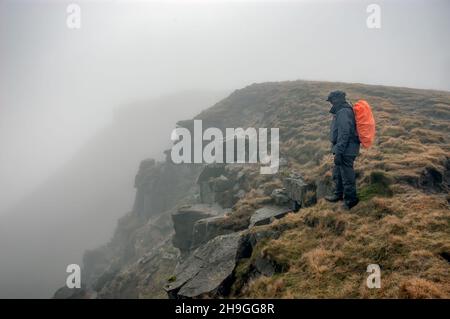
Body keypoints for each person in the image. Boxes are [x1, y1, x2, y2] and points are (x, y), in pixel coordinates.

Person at [325, 90, 360, 210]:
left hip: (346, 149)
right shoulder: (341, 111)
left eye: (331, 101)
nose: (331, 104)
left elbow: (344, 133)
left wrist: (339, 152)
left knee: (347, 176)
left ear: (336, 100)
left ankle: (351, 201)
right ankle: (338, 194)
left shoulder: (344, 112)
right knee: (338, 173)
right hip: (342, 148)